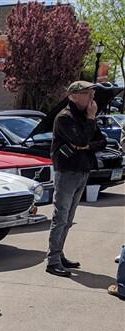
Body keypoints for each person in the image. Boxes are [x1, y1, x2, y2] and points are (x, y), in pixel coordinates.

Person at [46, 81, 107, 277]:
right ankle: (52, 261)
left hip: (82, 170)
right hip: (67, 171)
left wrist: (87, 146)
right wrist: (90, 121)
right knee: (60, 217)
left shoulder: (86, 117)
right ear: (73, 96)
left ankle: (59, 254)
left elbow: (102, 142)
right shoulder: (65, 117)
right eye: (88, 93)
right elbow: (80, 139)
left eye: (92, 93)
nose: (92, 98)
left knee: (69, 218)